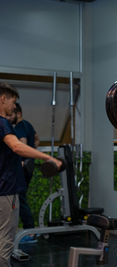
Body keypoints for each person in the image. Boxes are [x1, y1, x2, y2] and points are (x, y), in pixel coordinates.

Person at [0, 82, 62, 266]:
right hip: (5, 190)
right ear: (3, 99)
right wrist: (48, 158)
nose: (14, 106)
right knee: (4, 243)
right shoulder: (2, 122)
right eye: (13, 102)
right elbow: (17, 146)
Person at [13, 103, 39, 242]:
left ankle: (30, 232)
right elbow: (36, 138)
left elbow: (21, 143)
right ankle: (29, 231)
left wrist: (22, 159)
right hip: (30, 165)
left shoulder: (20, 126)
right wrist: (32, 151)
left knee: (20, 199)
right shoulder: (28, 124)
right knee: (21, 198)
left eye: (12, 113)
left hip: (23, 166)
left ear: (18, 113)